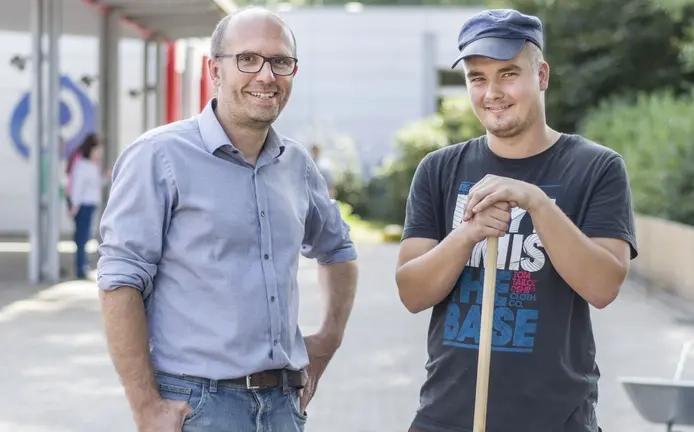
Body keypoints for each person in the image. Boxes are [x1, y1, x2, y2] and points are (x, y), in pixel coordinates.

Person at [97, 7, 358, 432]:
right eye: (248, 59)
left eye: (280, 61)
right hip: (196, 408)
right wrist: (145, 406)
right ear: (213, 69)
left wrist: (327, 340)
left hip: (282, 407)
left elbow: (339, 251)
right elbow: (119, 281)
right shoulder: (158, 157)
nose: (266, 76)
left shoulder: (297, 165)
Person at [396, 9, 638, 432]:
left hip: (556, 420)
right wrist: (469, 233)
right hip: (448, 417)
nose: (492, 92)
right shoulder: (438, 169)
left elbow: (603, 288)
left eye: (508, 74)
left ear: (541, 75)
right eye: (477, 78)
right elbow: (412, 293)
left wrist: (539, 204)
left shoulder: (596, 167)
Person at [68, 133, 104, 279]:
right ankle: (80, 268)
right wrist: (75, 205)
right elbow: (78, 186)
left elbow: (95, 185)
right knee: (81, 238)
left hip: (91, 205)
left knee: (86, 237)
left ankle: (83, 266)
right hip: (83, 206)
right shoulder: (82, 165)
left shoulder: (92, 166)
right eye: (98, 150)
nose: (100, 153)